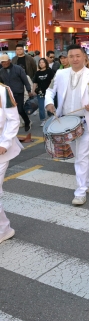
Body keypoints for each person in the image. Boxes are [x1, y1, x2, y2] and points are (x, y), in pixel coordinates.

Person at [45, 45, 89, 205]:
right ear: (67, 58)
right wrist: (49, 103)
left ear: (84, 57)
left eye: (78, 56)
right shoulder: (60, 74)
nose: (74, 59)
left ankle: (80, 191)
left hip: (85, 121)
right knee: (80, 156)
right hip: (66, 123)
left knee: (82, 156)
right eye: (71, 56)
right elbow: (50, 91)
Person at [0, 83, 23, 246]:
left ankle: (4, 229)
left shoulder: (3, 91)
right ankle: (5, 228)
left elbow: (13, 119)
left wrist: (5, 143)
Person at [0, 53, 32, 132]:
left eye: (5, 61)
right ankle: (14, 126)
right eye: (2, 62)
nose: (4, 63)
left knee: (20, 109)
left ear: (9, 61)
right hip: (8, 94)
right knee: (10, 111)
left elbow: (25, 80)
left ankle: (27, 121)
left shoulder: (18, 68)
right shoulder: (1, 71)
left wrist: (29, 90)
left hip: (19, 91)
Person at [31, 58, 55, 127]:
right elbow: (35, 82)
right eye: (40, 62)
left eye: (43, 62)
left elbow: (53, 81)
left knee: (49, 105)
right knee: (41, 106)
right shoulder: (37, 73)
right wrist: (33, 91)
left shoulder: (49, 71)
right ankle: (43, 120)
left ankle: (51, 118)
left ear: (46, 63)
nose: (41, 64)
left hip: (49, 92)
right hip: (40, 92)